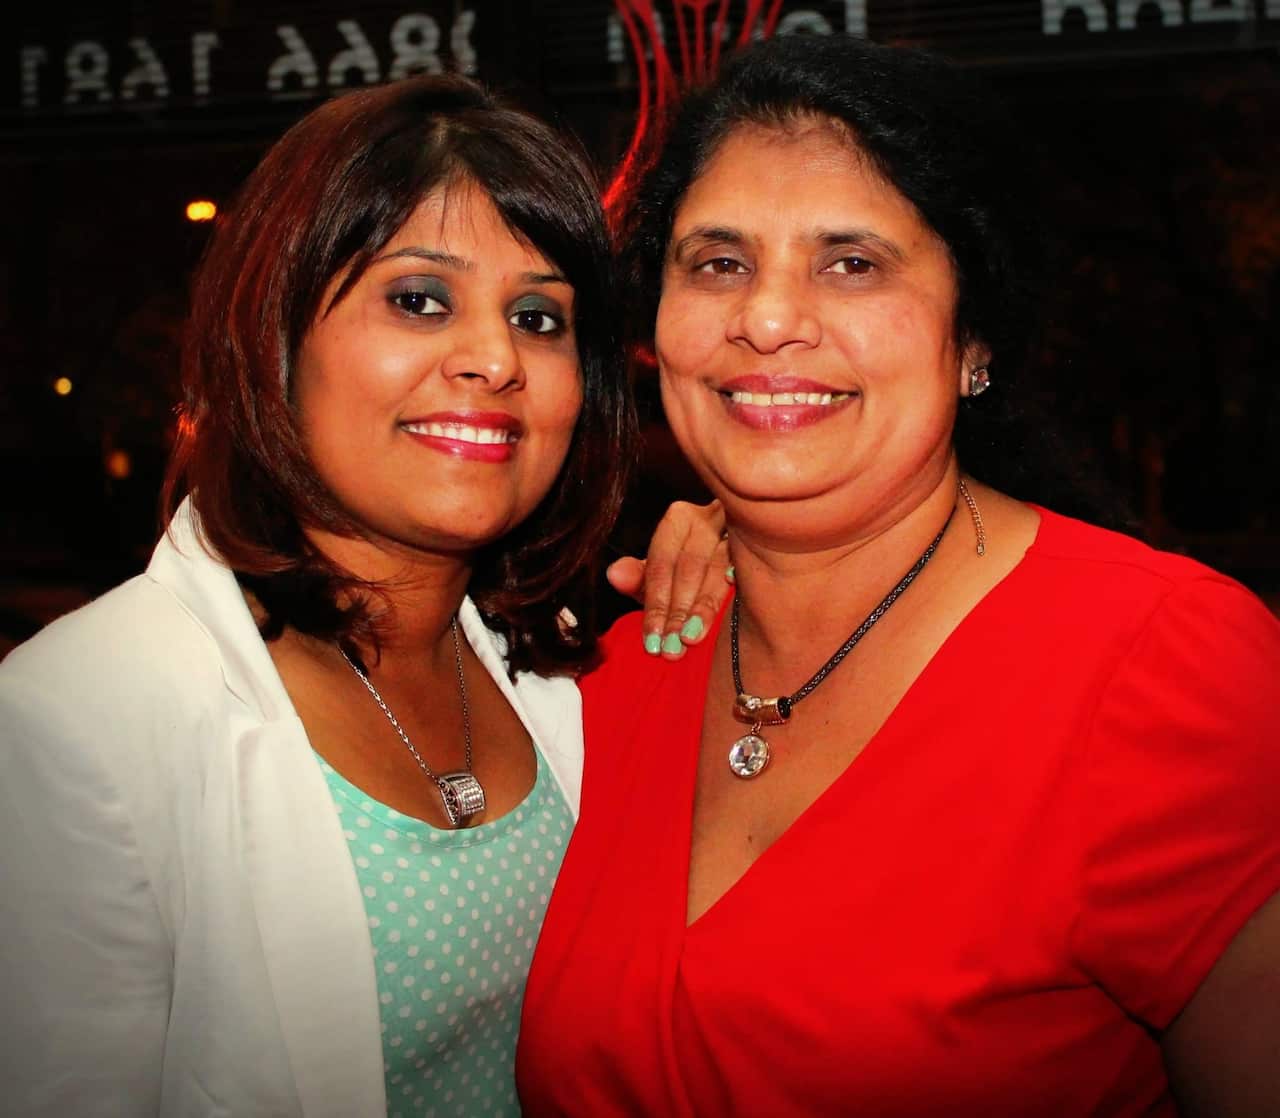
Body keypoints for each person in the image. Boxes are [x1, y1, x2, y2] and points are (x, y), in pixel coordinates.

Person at [517, 34, 1280, 1117]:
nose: (766, 317)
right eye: (717, 262)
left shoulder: (1164, 667)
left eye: (851, 262)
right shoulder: (611, 679)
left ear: (973, 336)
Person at [0, 73, 724, 1117]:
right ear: (279, 335)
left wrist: (757, 547)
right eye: (418, 298)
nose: (492, 359)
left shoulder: (562, 663)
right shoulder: (85, 712)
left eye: (538, 316)